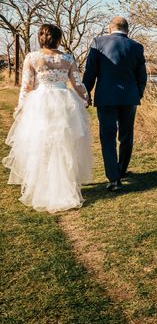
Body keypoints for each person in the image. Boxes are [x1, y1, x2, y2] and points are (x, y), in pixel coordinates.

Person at [3, 24, 92, 213]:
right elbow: (77, 83)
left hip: (40, 102)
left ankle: (43, 187)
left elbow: (26, 86)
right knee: (65, 144)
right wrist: (85, 97)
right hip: (64, 101)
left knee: (40, 143)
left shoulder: (32, 58)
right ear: (59, 38)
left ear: (40, 38)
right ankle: (64, 186)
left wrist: (21, 107)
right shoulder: (67, 58)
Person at [82, 16, 147, 191]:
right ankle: (122, 170)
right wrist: (137, 94)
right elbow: (142, 76)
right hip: (129, 99)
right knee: (126, 136)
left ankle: (113, 178)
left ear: (110, 29)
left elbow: (90, 71)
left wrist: (85, 93)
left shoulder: (98, 42)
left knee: (107, 137)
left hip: (106, 98)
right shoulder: (136, 46)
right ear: (127, 30)